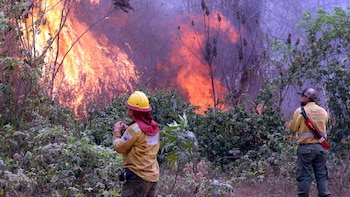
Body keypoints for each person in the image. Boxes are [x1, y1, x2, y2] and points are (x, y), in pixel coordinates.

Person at [113, 91, 160, 197]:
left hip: (137, 178)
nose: (127, 110)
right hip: (152, 177)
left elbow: (119, 147)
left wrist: (117, 132)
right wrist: (127, 129)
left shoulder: (134, 130)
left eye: (129, 108)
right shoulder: (154, 127)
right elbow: (142, 139)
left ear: (133, 111)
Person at [289, 88, 331, 197]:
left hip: (306, 149)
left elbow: (293, 128)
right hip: (321, 148)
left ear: (307, 97)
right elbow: (325, 124)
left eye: (302, 96)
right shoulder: (323, 111)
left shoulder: (300, 111)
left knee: (304, 176)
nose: (301, 98)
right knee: (321, 176)